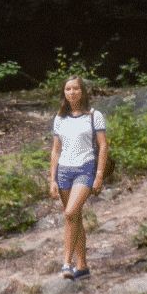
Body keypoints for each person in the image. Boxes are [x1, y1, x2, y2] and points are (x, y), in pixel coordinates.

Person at [48, 75, 108, 280]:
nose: (71, 92)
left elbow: (103, 146)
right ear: (63, 93)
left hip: (85, 168)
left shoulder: (94, 115)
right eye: (67, 89)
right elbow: (55, 150)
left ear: (82, 91)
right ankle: (82, 266)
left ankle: (66, 263)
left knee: (70, 213)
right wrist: (52, 179)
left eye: (75, 88)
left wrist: (99, 174)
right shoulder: (59, 118)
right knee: (75, 217)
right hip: (64, 170)